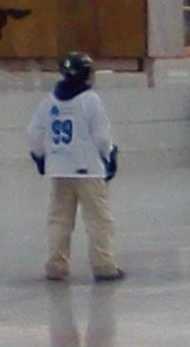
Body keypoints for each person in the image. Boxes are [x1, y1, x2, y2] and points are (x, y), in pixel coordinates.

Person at [27, 52, 124, 282]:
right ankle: (103, 265)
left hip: (59, 170)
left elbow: (33, 134)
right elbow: (102, 137)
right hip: (88, 170)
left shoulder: (49, 101)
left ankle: (56, 265)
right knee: (98, 220)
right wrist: (109, 156)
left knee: (59, 220)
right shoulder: (90, 100)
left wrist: (40, 158)